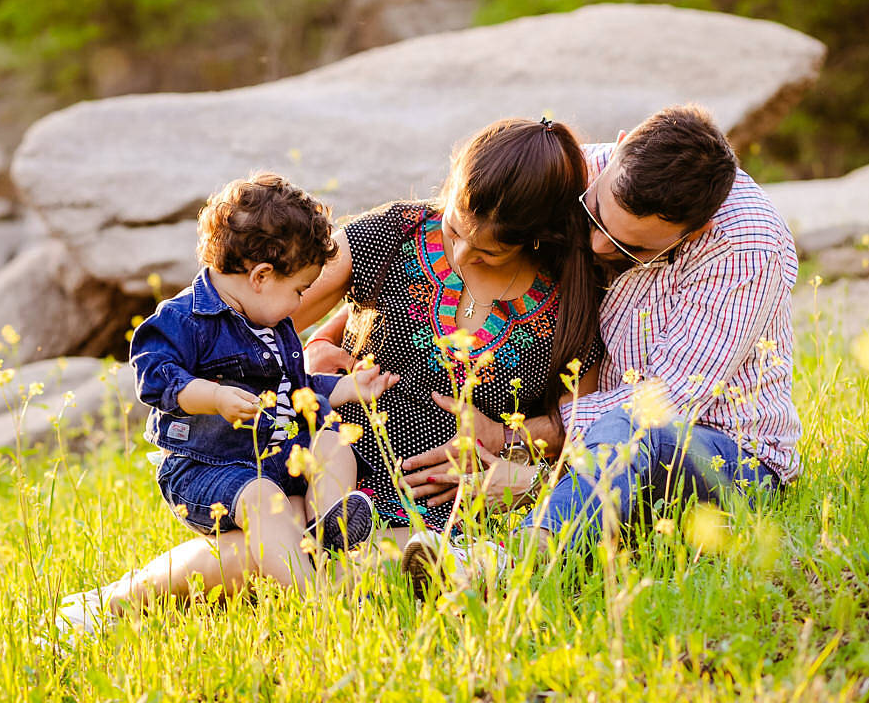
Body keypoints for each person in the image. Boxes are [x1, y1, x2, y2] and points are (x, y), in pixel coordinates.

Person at [366, 105, 801, 558]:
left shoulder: (745, 247)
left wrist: (511, 438)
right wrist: (337, 331)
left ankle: (509, 561)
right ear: (619, 145)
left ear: (694, 234)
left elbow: (665, 402)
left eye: (628, 248)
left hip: (721, 454)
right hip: (591, 448)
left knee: (639, 430)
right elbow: (468, 219)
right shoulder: (580, 169)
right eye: (594, 215)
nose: (595, 246)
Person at [46, 173, 397, 640]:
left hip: (272, 457)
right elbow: (154, 375)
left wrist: (345, 388)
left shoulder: (270, 322)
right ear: (261, 276)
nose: (300, 302)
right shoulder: (184, 317)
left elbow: (294, 387)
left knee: (334, 444)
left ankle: (324, 526)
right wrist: (211, 397)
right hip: (208, 469)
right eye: (299, 290)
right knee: (264, 501)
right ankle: (321, 603)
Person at [292, 116, 604, 573]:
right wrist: (309, 350)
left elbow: (581, 427)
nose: (461, 257)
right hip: (324, 475)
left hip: (447, 514)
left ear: (540, 236)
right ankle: (147, 590)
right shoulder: (390, 233)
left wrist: (509, 447)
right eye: (455, 230)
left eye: (488, 252)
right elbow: (261, 311)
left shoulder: (570, 303)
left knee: (378, 561)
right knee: (269, 548)